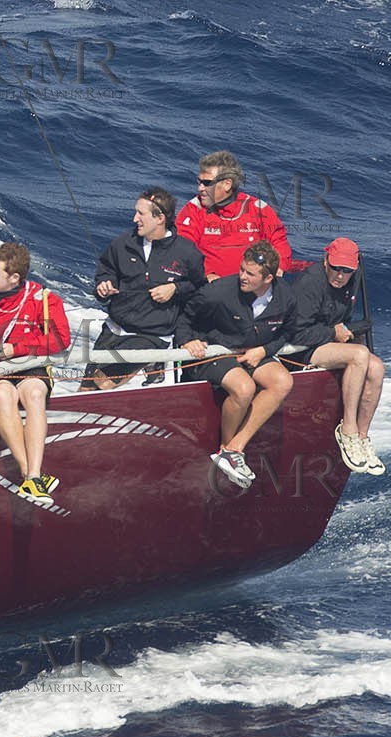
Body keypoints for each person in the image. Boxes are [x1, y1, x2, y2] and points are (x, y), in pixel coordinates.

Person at [174, 241, 297, 488]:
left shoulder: (286, 297)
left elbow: (289, 333)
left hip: (252, 352)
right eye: (242, 269)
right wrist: (187, 341)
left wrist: (264, 350)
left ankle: (234, 448)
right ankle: (227, 453)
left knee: (283, 382)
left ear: (268, 278)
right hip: (213, 352)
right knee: (244, 388)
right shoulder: (217, 292)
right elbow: (184, 316)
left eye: (250, 274)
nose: (242, 276)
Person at [0, 243, 70, 504]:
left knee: (34, 393)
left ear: (14, 278)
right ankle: (31, 477)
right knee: (4, 395)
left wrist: (18, 348)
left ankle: (33, 475)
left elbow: (60, 339)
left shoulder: (44, 299)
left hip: (29, 365)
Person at [87, 187, 206, 389]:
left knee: (102, 383)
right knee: (86, 387)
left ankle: (152, 361)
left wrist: (175, 289)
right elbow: (105, 271)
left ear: (159, 218)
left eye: (140, 213)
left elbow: (199, 288)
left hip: (152, 335)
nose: (135, 219)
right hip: (115, 329)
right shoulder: (122, 243)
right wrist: (103, 286)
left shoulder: (187, 252)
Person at [286, 237, 386, 475]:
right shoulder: (309, 283)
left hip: (330, 341)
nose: (340, 275)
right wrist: (332, 332)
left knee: (377, 367)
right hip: (303, 347)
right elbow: (296, 333)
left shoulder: (353, 279)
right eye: (335, 268)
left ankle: (361, 437)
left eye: (347, 270)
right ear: (325, 261)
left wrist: (342, 332)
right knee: (359, 356)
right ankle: (347, 430)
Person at [175, 150, 295, 281]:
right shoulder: (192, 210)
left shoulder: (258, 210)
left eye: (207, 183)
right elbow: (184, 251)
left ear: (227, 184)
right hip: (209, 288)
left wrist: (280, 267)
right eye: (199, 182)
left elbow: (279, 241)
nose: (200, 188)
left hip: (253, 287)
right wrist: (206, 275)